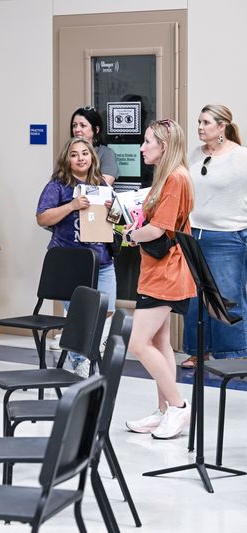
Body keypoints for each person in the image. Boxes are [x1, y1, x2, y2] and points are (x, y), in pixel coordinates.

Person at [124, 118, 195, 440]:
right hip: (156, 270)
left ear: (163, 147)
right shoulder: (168, 177)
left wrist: (131, 235)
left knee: (139, 344)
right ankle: (164, 409)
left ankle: (178, 407)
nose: (141, 147)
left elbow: (158, 229)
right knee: (158, 342)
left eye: (147, 141)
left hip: (166, 273)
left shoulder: (176, 179)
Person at [36, 137, 117, 377]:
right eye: (74, 154)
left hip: (102, 261)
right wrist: (71, 206)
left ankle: (93, 350)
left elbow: (115, 224)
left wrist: (114, 210)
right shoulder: (58, 185)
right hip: (70, 263)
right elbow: (42, 218)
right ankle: (80, 361)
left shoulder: (102, 184)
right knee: (79, 316)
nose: (81, 158)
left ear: (92, 157)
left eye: (85, 153)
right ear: (67, 159)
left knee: (107, 310)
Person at [180, 104, 247, 368]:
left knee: (226, 296)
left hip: (228, 237)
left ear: (222, 127)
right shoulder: (195, 154)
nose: (200, 127)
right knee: (195, 297)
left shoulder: (241, 157)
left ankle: (233, 355)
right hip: (194, 234)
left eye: (206, 122)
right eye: (198, 121)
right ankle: (198, 351)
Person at [70, 106, 120, 185]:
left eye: (83, 125)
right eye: (74, 125)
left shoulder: (106, 153)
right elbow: (58, 180)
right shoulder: (67, 152)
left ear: (96, 129)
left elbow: (105, 184)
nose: (77, 130)